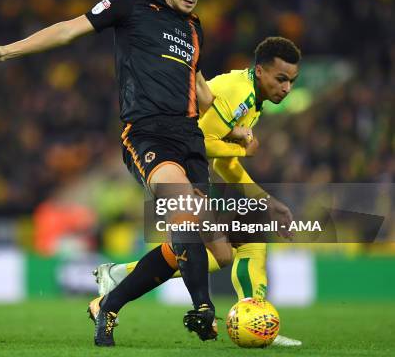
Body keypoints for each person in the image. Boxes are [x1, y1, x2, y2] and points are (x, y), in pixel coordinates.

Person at [0, 0, 221, 347]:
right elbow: (68, 29)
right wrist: (5, 52)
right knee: (183, 212)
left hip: (191, 139)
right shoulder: (130, 5)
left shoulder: (195, 29)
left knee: (186, 244)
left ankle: (109, 302)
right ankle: (204, 309)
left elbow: (202, 89)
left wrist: (237, 125)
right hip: (148, 133)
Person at [93, 36, 303, 346]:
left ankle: (120, 277)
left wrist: (266, 199)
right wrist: (246, 151)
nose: (286, 88)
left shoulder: (253, 102)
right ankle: (254, 318)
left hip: (192, 167)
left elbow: (223, 164)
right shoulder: (237, 92)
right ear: (260, 71)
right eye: (281, 79)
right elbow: (199, 140)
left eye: (292, 81)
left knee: (221, 254)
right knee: (246, 238)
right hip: (171, 159)